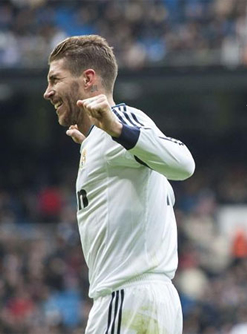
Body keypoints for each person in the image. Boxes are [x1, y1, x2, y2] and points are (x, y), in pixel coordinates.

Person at [43, 35, 195, 334]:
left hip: (127, 298)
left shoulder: (121, 120)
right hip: (141, 300)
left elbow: (184, 163)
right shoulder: (107, 143)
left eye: (55, 79)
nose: (47, 92)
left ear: (88, 79)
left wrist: (114, 129)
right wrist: (95, 146)